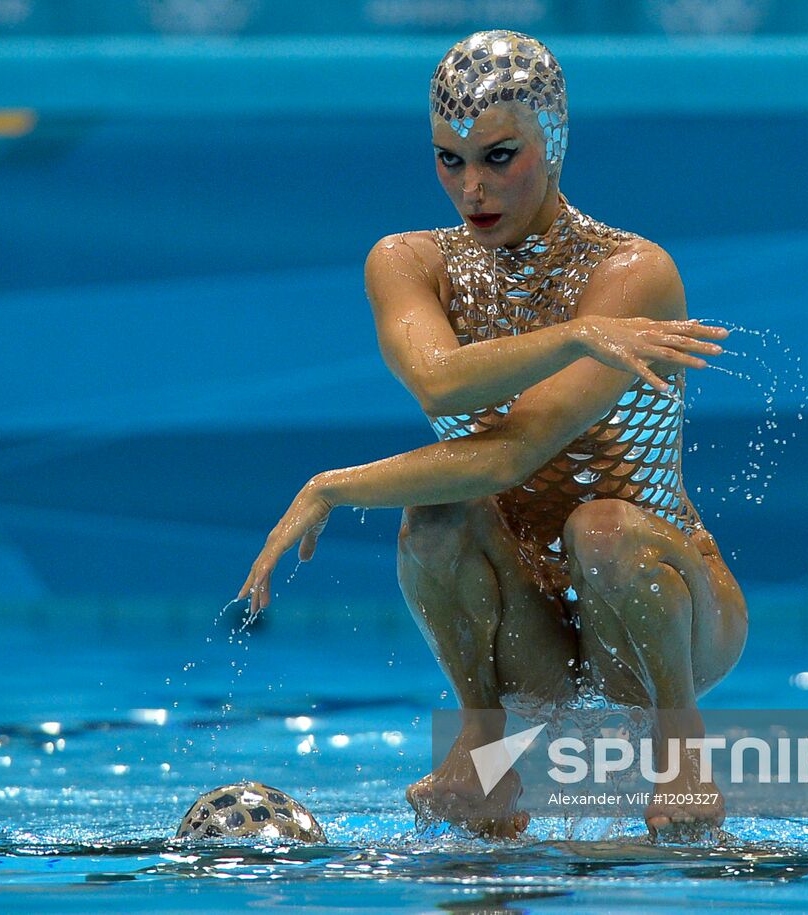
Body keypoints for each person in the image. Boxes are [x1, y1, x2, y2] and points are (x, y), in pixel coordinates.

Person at [237, 29, 747, 842]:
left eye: (499, 156)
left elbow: (519, 447)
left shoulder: (633, 274)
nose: (471, 187)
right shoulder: (408, 262)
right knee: (439, 512)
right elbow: (439, 377)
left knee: (602, 527)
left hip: (663, 617)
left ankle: (681, 758)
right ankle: (488, 749)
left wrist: (335, 485)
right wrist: (574, 338)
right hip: (533, 621)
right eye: (448, 160)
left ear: (555, 142)